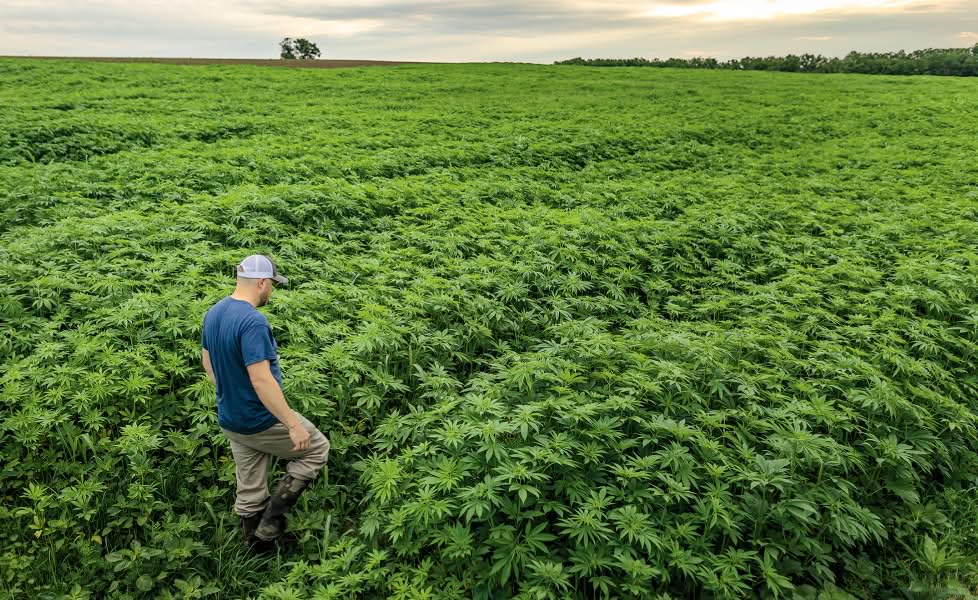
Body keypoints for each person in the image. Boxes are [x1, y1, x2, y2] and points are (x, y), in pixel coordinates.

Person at [200, 254, 330, 551]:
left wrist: (230, 395)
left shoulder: (215, 312)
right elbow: (262, 381)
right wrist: (292, 424)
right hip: (259, 418)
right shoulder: (252, 322)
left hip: (231, 418)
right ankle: (271, 525)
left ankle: (255, 547)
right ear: (261, 282)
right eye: (272, 284)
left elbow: (208, 363)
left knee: (250, 485)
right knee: (316, 449)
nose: (272, 290)